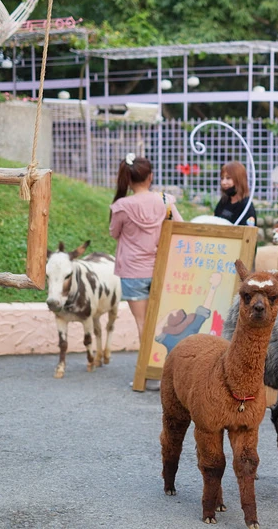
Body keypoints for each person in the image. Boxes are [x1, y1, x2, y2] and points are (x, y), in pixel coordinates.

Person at [109, 153, 182, 388]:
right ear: (150, 177)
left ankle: (149, 373)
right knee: (161, 322)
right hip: (160, 268)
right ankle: (167, 373)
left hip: (132, 271)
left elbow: (113, 232)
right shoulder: (164, 201)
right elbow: (180, 226)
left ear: (128, 180)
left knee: (143, 324)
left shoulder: (121, 206)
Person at [213, 161, 257, 226]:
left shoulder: (246, 206)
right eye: (222, 178)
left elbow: (248, 233)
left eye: (228, 178)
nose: (223, 182)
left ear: (239, 180)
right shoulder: (224, 201)